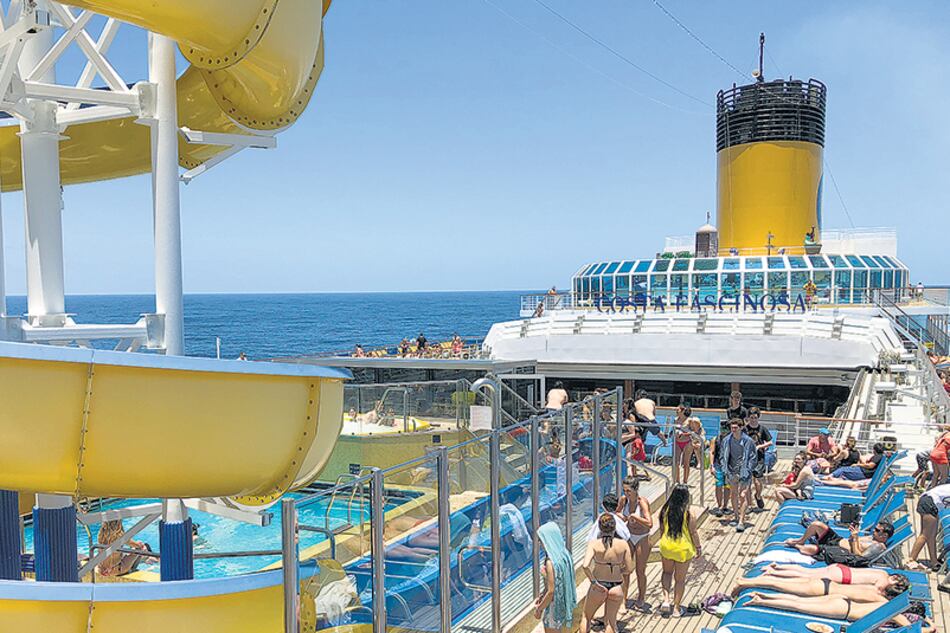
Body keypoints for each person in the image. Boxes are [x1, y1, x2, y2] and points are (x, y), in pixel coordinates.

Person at [743, 592, 932, 632]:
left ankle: (764, 596)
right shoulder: (897, 615)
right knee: (798, 606)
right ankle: (761, 600)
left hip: (843, 600)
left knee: (799, 600)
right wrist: (930, 625)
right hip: (842, 610)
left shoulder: (886, 604)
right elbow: (914, 630)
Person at [580, 514, 631, 633]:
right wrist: (619, 570)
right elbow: (629, 569)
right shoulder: (623, 544)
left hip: (599, 585)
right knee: (610, 623)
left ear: (599, 528)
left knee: (586, 617)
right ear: (614, 527)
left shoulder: (594, 544)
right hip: (616, 586)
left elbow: (585, 566)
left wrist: (593, 581)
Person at [657, 484, 701, 617]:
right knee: (680, 580)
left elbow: (661, 530)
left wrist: (663, 543)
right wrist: (698, 547)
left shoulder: (664, 510)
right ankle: (676, 608)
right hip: (682, 549)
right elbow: (693, 533)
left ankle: (666, 600)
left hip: (667, 546)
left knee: (667, 573)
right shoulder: (688, 514)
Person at [784, 519, 898, 568]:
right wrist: (853, 534)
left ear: (884, 536)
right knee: (817, 524)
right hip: (837, 540)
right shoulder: (872, 537)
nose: (874, 531)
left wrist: (855, 538)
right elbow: (852, 540)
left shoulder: (878, 546)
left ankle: (796, 545)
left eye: (877, 530)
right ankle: (801, 540)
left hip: (838, 552)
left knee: (811, 549)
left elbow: (858, 557)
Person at [732, 571, 910, 602]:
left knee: (780, 583)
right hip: (821, 590)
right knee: (781, 586)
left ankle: (745, 581)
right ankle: (744, 582)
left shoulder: (876, 586)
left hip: (826, 584)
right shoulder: (878, 597)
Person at [533, 522, 577, 633]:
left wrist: (539, 609)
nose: (540, 543)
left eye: (541, 540)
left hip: (553, 607)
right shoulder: (564, 554)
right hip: (563, 602)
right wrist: (542, 595)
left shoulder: (550, 562)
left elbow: (551, 591)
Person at [618, 476, 652, 612]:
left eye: (629, 491)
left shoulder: (642, 502)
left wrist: (636, 518)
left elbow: (649, 523)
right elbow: (617, 512)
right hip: (629, 536)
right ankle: (623, 600)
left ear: (636, 489)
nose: (626, 493)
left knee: (640, 570)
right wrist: (622, 517)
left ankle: (641, 597)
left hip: (642, 537)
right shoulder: (623, 500)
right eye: (624, 490)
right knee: (625, 569)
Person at [717, 418, 756, 532]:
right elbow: (722, 455)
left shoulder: (749, 441)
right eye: (732, 428)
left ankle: (741, 521)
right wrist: (724, 468)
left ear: (741, 427)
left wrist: (748, 470)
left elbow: (753, 457)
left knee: (743, 495)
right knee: (733, 494)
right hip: (731, 471)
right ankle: (736, 516)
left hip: (744, 471)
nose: (733, 430)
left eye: (735, 428)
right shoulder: (726, 440)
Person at [907, 483, 950, 571]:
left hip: (929, 502)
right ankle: (911, 560)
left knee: (931, 535)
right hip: (929, 503)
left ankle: (934, 561)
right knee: (925, 535)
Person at [744, 407, 773, 511]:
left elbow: (770, 442)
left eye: (755, 418)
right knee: (747, 482)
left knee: (757, 481)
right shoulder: (745, 429)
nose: (753, 420)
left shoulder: (762, 429)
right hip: (747, 458)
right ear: (748, 418)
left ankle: (758, 495)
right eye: (751, 418)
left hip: (759, 457)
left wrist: (760, 446)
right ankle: (749, 504)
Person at [708, 422, 732, 517]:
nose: (723, 431)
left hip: (729, 466)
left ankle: (725, 505)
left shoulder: (732, 440)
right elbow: (712, 452)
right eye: (722, 429)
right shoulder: (715, 439)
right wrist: (711, 465)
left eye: (725, 429)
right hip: (718, 464)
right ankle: (719, 506)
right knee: (719, 485)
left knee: (727, 486)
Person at [676, 413, 704, 484]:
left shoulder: (690, 421)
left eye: (678, 410)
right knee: (676, 463)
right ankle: (677, 481)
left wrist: (684, 434)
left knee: (686, 463)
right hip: (677, 442)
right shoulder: (675, 420)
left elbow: (696, 431)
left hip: (687, 442)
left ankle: (685, 481)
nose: (676, 412)